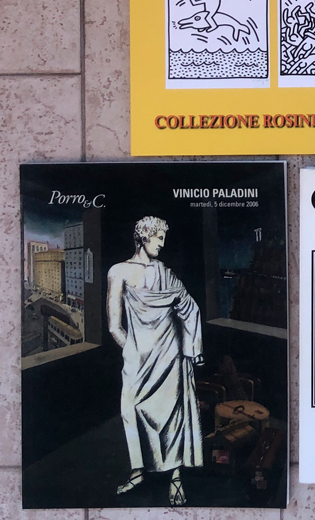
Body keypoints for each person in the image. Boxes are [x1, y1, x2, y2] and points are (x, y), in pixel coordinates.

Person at [106, 217, 203, 507]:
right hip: (137, 359)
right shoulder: (119, 271)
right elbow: (114, 326)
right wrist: (132, 351)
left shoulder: (166, 273)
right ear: (143, 237)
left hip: (170, 355)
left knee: (172, 415)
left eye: (163, 238)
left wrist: (191, 347)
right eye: (158, 237)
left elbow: (189, 307)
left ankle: (175, 477)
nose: (162, 243)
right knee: (131, 410)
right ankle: (139, 470)